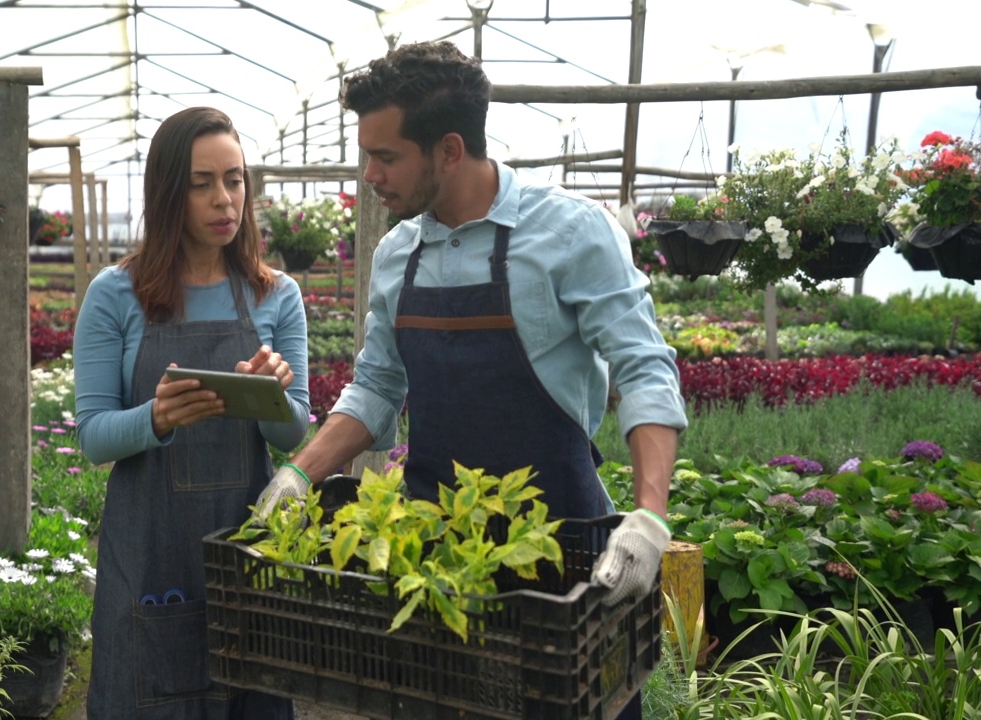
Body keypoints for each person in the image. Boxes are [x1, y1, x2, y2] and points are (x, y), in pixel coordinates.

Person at [254, 41, 687, 720]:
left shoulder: (572, 233)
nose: (370, 175)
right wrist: (299, 474)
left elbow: (644, 368)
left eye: (386, 156)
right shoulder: (399, 253)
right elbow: (375, 387)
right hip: (436, 560)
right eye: (366, 154)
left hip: (562, 550)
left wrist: (651, 515)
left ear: (449, 149)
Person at [75, 106, 307, 720]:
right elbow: (94, 436)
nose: (223, 199)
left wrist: (275, 395)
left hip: (246, 546)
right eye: (201, 183)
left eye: (234, 179)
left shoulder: (275, 294)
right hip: (150, 553)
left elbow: (292, 433)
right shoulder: (116, 294)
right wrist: (156, 418)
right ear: (167, 191)